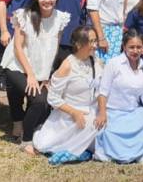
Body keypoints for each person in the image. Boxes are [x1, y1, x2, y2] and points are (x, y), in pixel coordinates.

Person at [0, 0, 69, 154]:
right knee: (38, 99)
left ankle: (29, 129)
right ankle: (26, 140)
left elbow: (54, 48)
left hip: (41, 68)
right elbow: (17, 48)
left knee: (44, 101)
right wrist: (30, 74)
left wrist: (47, 76)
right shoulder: (24, 15)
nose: (47, 0)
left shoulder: (60, 18)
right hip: (17, 65)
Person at [94, 29, 143, 163]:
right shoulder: (114, 63)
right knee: (109, 136)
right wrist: (102, 113)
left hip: (134, 112)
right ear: (124, 47)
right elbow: (103, 92)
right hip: (113, 113)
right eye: (131, 47)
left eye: (138, 47)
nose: (135, 50)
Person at [32, 26, 103, 165]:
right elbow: (52, 98)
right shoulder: (67, 65)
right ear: (78, 44)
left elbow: (102, 87)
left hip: (92, 110)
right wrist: (74, 112)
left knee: (96, 123)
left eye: (96, 41)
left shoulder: (95, 60)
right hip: (69, 114)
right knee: (42, 145)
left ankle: (82, 148)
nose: (95, 45)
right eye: (91, 42)